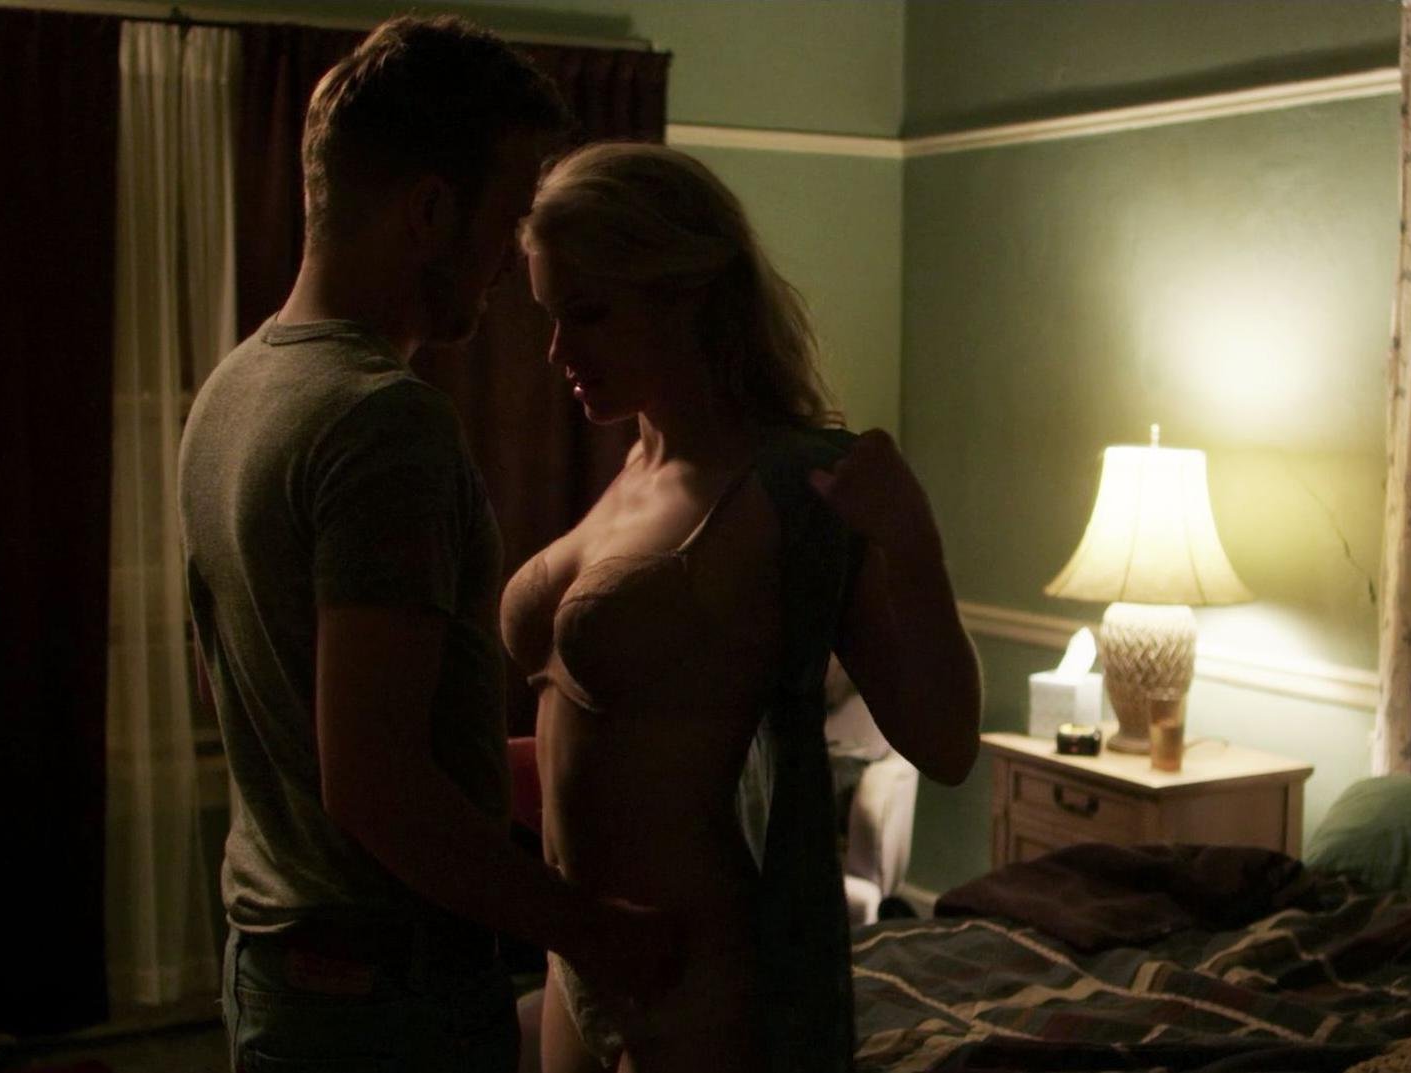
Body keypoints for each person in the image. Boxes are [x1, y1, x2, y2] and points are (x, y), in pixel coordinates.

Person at [179, 20, 676, 1073]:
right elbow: (373, 783)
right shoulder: (381, 421)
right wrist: (598, 932)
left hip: (278, 965)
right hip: (380, 998)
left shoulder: (233, 388)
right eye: (506, 218)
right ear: (431, 211)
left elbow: (279, 712)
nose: (509, 262)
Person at [504, 142, 983, 1073]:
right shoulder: (635, 464)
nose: (558, 350)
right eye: (551, 316)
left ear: (686, 293)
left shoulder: (796, 485)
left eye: (588, 314)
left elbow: (948, 743)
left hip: (697, 969)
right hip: (582, 953)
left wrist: (917, 548)